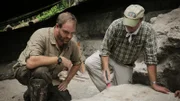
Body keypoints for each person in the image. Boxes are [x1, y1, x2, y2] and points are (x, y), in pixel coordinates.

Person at [85, 4, 170, 94]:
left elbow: (151, 59)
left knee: (123, 91)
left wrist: (154, 84)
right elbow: (105, 50)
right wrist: (105, 71)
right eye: (127, 22)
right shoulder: (116, 25)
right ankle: (108, 91)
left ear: (141, 20)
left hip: (125, 65)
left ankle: (114, 90)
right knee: (90, 62)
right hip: (110, 57)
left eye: (132, 24)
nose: (128, 26)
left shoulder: (148, 31)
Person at [13, 12, 81, 101]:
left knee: (64, 98)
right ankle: (36, 92)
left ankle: (31, 94)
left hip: (49, 77)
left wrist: (66, 81)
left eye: (72, 33)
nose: (69, 36)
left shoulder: (71, 43)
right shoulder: (41, 34)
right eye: (65, 32)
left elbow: (77, 63)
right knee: (41, 72)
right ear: (57, 27)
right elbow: (30, 62)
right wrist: (59, 59)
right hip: (24, 71)